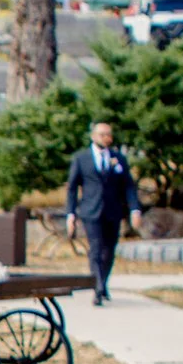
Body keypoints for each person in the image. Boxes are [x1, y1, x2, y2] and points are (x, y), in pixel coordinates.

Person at [65, 121, 143, 305]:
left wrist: (134, 209)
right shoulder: (81, 158)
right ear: (93, 136)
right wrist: (70, 214)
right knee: (96, 249)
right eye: (102, 134)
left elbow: (128, 186)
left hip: (113, 211)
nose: (106, 138)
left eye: (109, 134)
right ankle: (97, 287)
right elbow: (72, 188)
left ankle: (103, 282)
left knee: (109, 250)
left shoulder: (118, 159)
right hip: (91, 211)